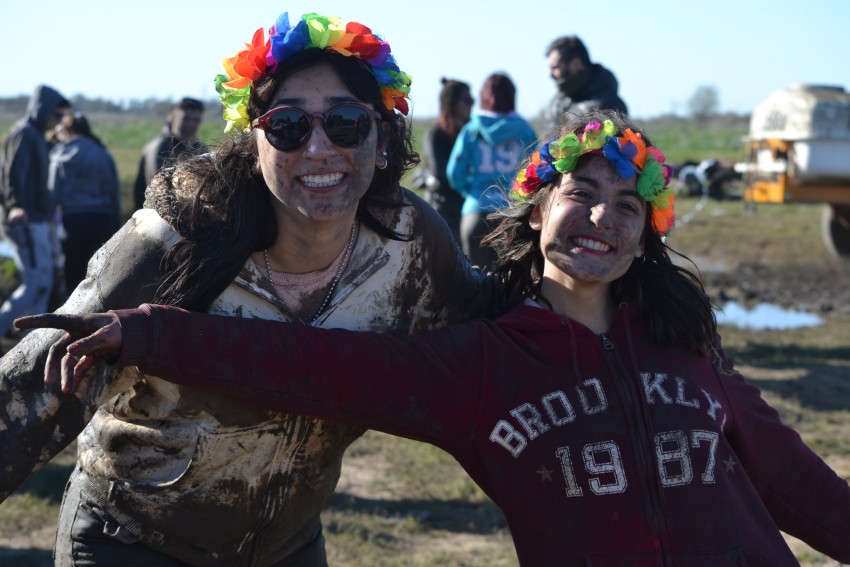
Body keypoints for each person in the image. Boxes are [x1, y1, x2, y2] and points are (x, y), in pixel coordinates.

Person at [21, 110, 850, 566]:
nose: (601, 216)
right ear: (536, 210)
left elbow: (796, 480)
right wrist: (146, 332)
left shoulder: (686, 346)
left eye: (627, 205)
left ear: (645, 236)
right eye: (580, 193)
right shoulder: (481, 363)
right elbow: (313, 366)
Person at [0, 11, 495, 566]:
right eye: (288, 127)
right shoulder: (179, 237)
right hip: (133, 540)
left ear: (382, 136)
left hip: (289, 546)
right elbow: (29, 391)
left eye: (347, 123)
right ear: (254, 143)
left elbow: (494, 330)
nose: (319, 149)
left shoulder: (411, 240)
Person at [447, 72, 536, 271]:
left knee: (475, 283)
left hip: (475, 213)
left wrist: (471, 191)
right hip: (512, 212)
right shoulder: (525, 130)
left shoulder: (471, 130)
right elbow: (535, 171)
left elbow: (455, 172)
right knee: (511, 284)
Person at [0, 84, 69, 337]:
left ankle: (31, 339)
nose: (59, 121)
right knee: (36, 285)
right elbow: (13, 174)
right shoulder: (25, 133)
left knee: (43, 284)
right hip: (25, 218)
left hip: (37, 218)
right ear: (44, 110)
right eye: (56, 114)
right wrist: (15, 205)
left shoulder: (37, 135)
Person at [49, 112, 121, 297]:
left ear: (66, 131)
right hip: (101, 219)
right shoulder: (102, 153)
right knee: (97, 273)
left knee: (72, 273)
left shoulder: (59, 154)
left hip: (72, 220)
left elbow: (52, 192)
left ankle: (70, 318)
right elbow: (113, 189)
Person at [421, 78, 474, 243]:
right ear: (452, 103)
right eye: (467, 100)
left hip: (465, 207)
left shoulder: (472, 131)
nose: (471, 104)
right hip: (443, 209)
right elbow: (440, 170)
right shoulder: (435, 134)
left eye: (472, 100)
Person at [541, 36, 628, 134]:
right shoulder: (556, 103)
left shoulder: (610, 106)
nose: (550, 75)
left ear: (576, 64)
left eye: (555, 67)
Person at [132, 96, 206, 210]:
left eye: (195, 120)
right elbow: (159, 187)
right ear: (172, 116)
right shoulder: (159, 147)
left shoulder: (200, 148)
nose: (191, 124)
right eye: (185, 118)